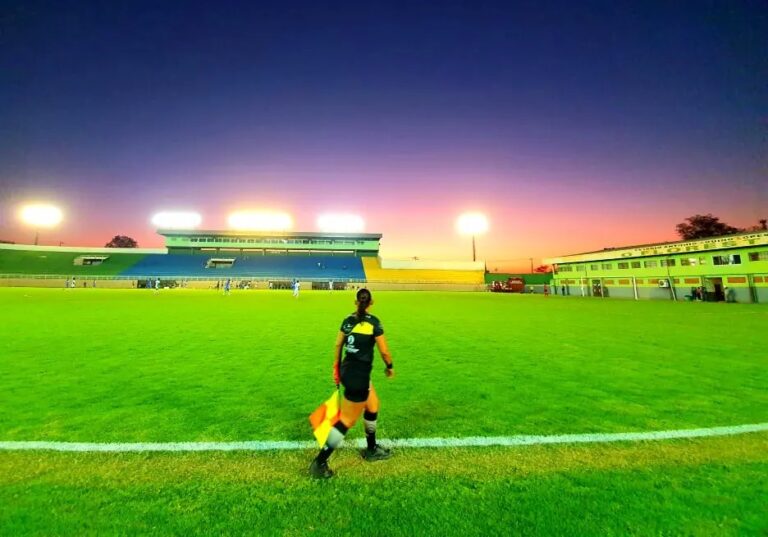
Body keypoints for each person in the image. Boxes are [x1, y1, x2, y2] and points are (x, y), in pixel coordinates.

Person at [309, 288, 394, 479]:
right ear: (371, 302)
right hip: (358, 377)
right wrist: (390, 367)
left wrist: (336, 367)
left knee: (373, 405)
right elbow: (385, 352)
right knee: (346, 420)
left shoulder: (347, 320)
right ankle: (319, 463)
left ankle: (371, 448)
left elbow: (338, 344)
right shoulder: (374, 323)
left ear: (356, 302)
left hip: (348, 370)